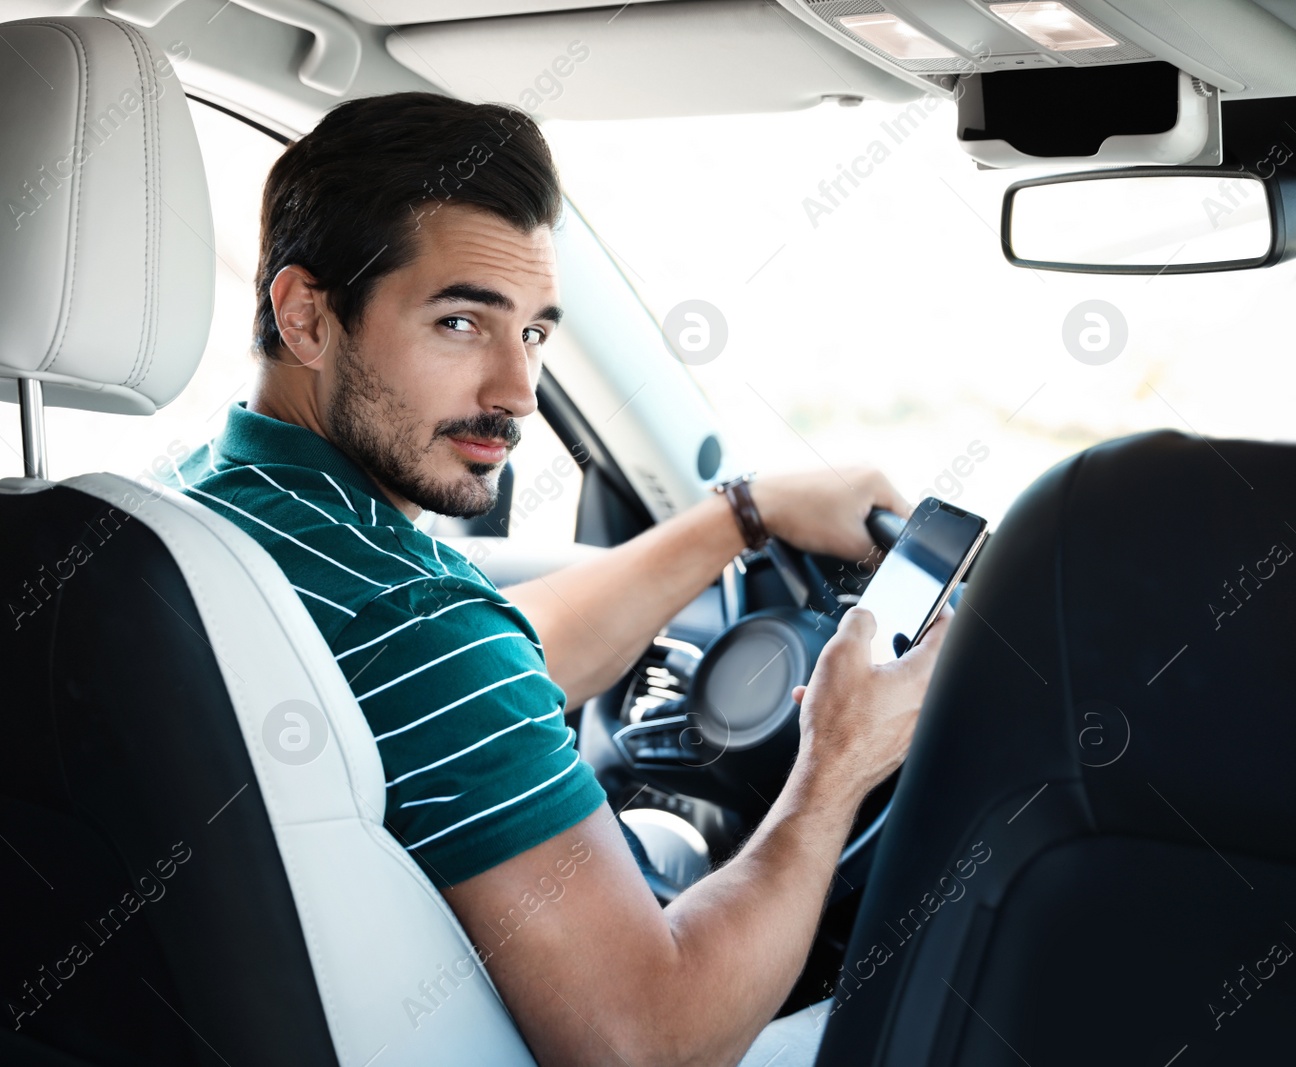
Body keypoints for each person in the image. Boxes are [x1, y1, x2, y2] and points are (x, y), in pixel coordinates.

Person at [173, 91, 953, 1067]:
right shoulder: (414, 626)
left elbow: (484, 664)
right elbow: (649, 1040)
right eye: (461, 322)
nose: (518, 393)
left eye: (535, 332)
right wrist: (836, 761)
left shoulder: (182, 515)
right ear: (307, 317)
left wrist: (739, 516)